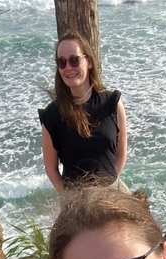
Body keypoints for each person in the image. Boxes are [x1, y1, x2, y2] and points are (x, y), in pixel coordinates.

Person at [39, 30, 127, 194]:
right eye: (62, 62)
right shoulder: (51, 116)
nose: (68, 67)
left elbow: (121, 154)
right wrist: (71, 198)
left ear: (89, 61)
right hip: (75, 200)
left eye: (74, 60)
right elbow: (51, 169)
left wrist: (109, 188)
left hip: (112, 192)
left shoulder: (112, 103)